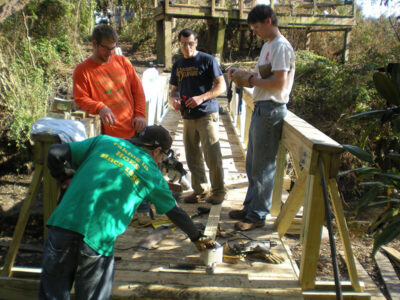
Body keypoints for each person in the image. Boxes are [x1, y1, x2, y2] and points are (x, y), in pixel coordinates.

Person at [39, 125, 214, 299]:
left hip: (61, 226)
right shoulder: (151, 174)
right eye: (163, 155)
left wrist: (64, 177)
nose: (161, 161)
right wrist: (196, 237)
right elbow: (176, 213)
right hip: (96, 239)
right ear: (157, 151)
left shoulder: (104, 141)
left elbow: (55, 152)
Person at [227, 5, 295, 231]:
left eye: (256, 27)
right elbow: (262, 76)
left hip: (271, 110)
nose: (254, 32)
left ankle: (257, 215)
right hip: (260, 107)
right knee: (252, 163)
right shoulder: (268, 45)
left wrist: (250, 81)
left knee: (264, 166)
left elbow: (278, 84)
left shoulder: (281, 47)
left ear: (268, 21)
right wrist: (242, 75)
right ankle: (249, 208)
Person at [73, 24, 150, 223]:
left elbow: (138, 91)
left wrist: (140, 114)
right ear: (94, 44)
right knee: (112, 177)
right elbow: (80, 98)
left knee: (138, 171)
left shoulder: (122, 62)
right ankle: (112, 216)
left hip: (133, 129)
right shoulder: (83, 70)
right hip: (108, 136)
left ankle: (142, 209)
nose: (111, 52)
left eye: (113, 47)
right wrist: (100, 107)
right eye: (106, 48)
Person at [169, 28, 227, 205]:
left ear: (196, 42)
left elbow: (221, 86)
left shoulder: (207, 60)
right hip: (187, 116)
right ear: (179, 44)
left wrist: (201, 98)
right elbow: (173, 90)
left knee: (212, 154)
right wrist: (173, 101)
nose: (187, 47)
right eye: (183, 44)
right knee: (192, 154)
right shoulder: (178, 64)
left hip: (207, 113)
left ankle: (218, 190)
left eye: (191, 43)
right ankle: (200, 190)